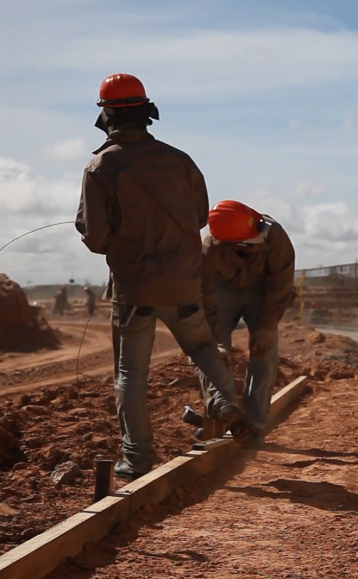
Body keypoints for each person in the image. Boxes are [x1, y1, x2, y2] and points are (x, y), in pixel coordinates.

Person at [75, 72, 253, 480]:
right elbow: (197, 217)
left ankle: (137, 458)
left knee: (130, 374)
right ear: (145, 112)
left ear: (107, 115)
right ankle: (226, 403)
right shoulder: (181, 160)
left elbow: (97, 238)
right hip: (184, 281)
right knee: (202, 350)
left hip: (135, 288)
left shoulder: (101, 166)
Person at [195, 200, 296, 448]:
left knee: (265, 351)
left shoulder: (275, 237)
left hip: (262, 291)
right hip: (223, 289)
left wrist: (267, 326)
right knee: (210, 350)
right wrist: (216, 342)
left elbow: (280, 285)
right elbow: (205, 298)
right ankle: (222, 412)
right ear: (230, 243)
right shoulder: (209, 250)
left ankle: (254, 423)